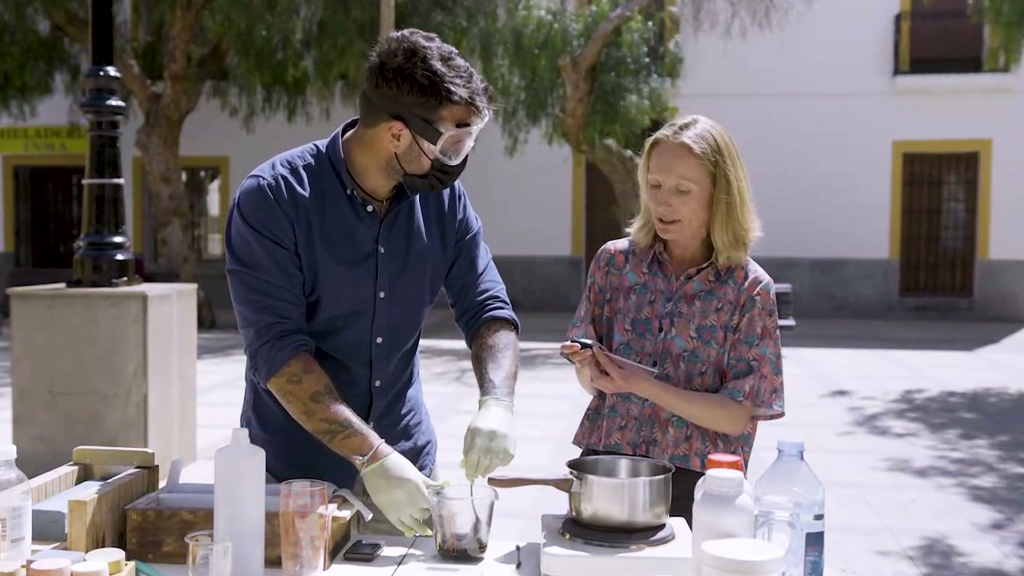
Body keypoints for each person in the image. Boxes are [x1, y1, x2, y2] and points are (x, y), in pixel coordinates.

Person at [225, 28, 522, 538]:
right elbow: (277, 353)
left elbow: (487, 306)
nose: (459, 159)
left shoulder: (444, 202)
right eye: (453, 143)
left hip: (410, 474)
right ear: (397, 134)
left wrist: (497, 402)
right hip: (296, 478)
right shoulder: (273, 200)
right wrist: (372, 457)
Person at [560, 114, 785, 527]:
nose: (663, 202)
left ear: (721, 195)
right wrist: (589, 368)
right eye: (655, 185)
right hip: (608, 467)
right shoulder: (613, 264)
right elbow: (595, 386)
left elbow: (737, 415)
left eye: (682, 190)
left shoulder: (749, 289)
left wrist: (643, 384)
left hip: (701, 488)